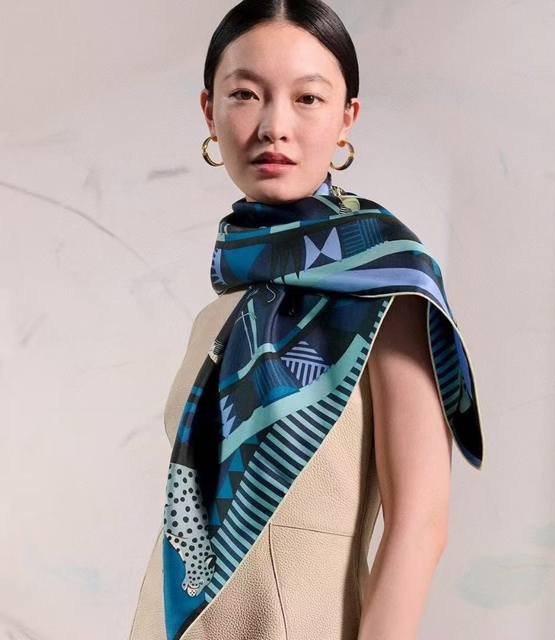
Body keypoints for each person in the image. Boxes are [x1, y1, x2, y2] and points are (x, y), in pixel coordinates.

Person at [128, 2, 484, 639]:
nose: (274, 127)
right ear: (209, 111)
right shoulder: (221, 310)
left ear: (347, 118)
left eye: (308, 98)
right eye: (245, 94)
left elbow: (419, 524)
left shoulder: (389, 283)